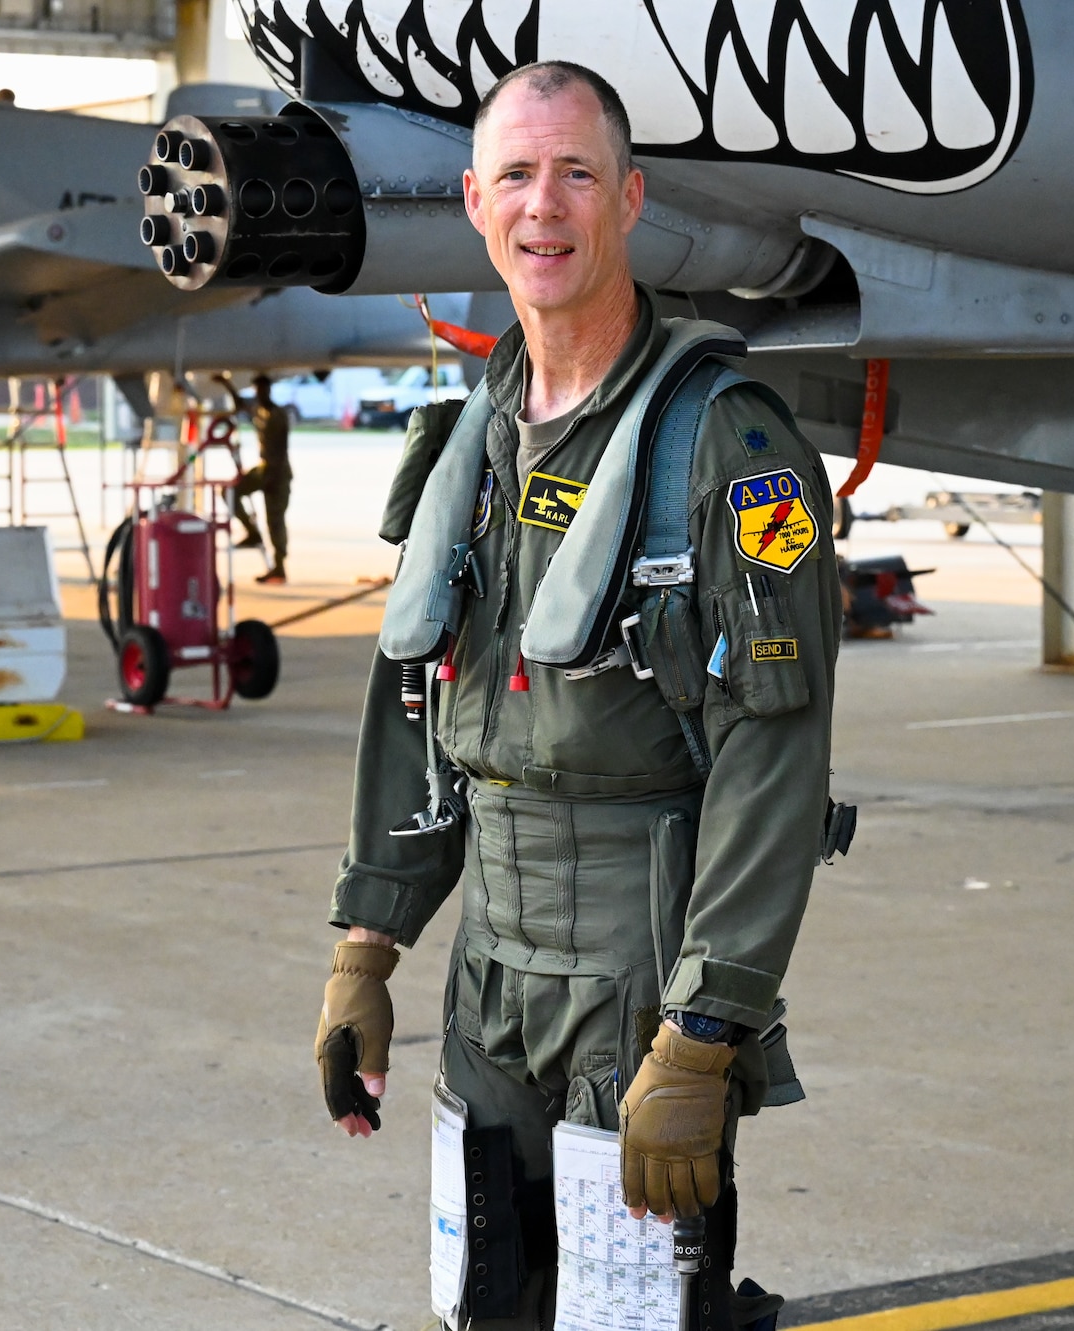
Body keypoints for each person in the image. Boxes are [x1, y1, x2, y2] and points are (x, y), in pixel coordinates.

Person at [313, 60, 842, 1331]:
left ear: (629, 201)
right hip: (487, 976)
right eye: (514, 175)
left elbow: (774, 761)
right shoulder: (467, 443)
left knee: (636, 1314)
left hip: (638, 969)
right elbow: (416, 705)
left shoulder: (726, 444)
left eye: (576, 174)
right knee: (487, 1303)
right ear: (475, 203)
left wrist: (707, 1026)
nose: (541, 206)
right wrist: (365, 946)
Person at [217, 371, 292, 583]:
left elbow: (280, 448)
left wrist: (272, 478)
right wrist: (227, 383)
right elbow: (239, 403)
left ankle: (279, 567)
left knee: (275, 521)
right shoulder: (259, 411)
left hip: (278, 473)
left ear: (269, 390)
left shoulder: (277, 415)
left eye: (263, 390)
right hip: (264, 468)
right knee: (229, 491)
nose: (260, 394)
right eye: (257, 390)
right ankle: (251, 532)